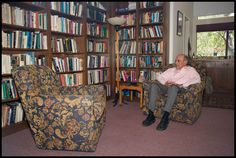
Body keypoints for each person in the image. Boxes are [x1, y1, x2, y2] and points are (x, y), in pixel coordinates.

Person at [142, 53, 201, 131]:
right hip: (167, 86)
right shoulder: (171, 70)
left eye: (178, 61)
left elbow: (197, 79)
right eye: (176, 60)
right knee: (154, 85)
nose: (176, 62)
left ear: (185, 62)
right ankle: (151, 115)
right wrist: (165, 82)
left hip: (180, 89)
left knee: (173, 87)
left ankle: (165, 118)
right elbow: (160, 77)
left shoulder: (190, 70)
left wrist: (180, 84)